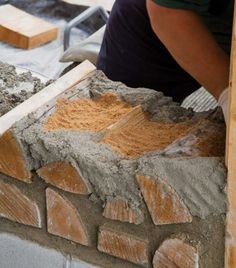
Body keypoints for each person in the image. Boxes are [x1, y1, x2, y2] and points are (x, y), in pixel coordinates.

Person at [96, 0, 234, 123]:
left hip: (215, 28)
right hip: (158, 26)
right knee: (124, 117)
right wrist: (227, 93)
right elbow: (166, 12)